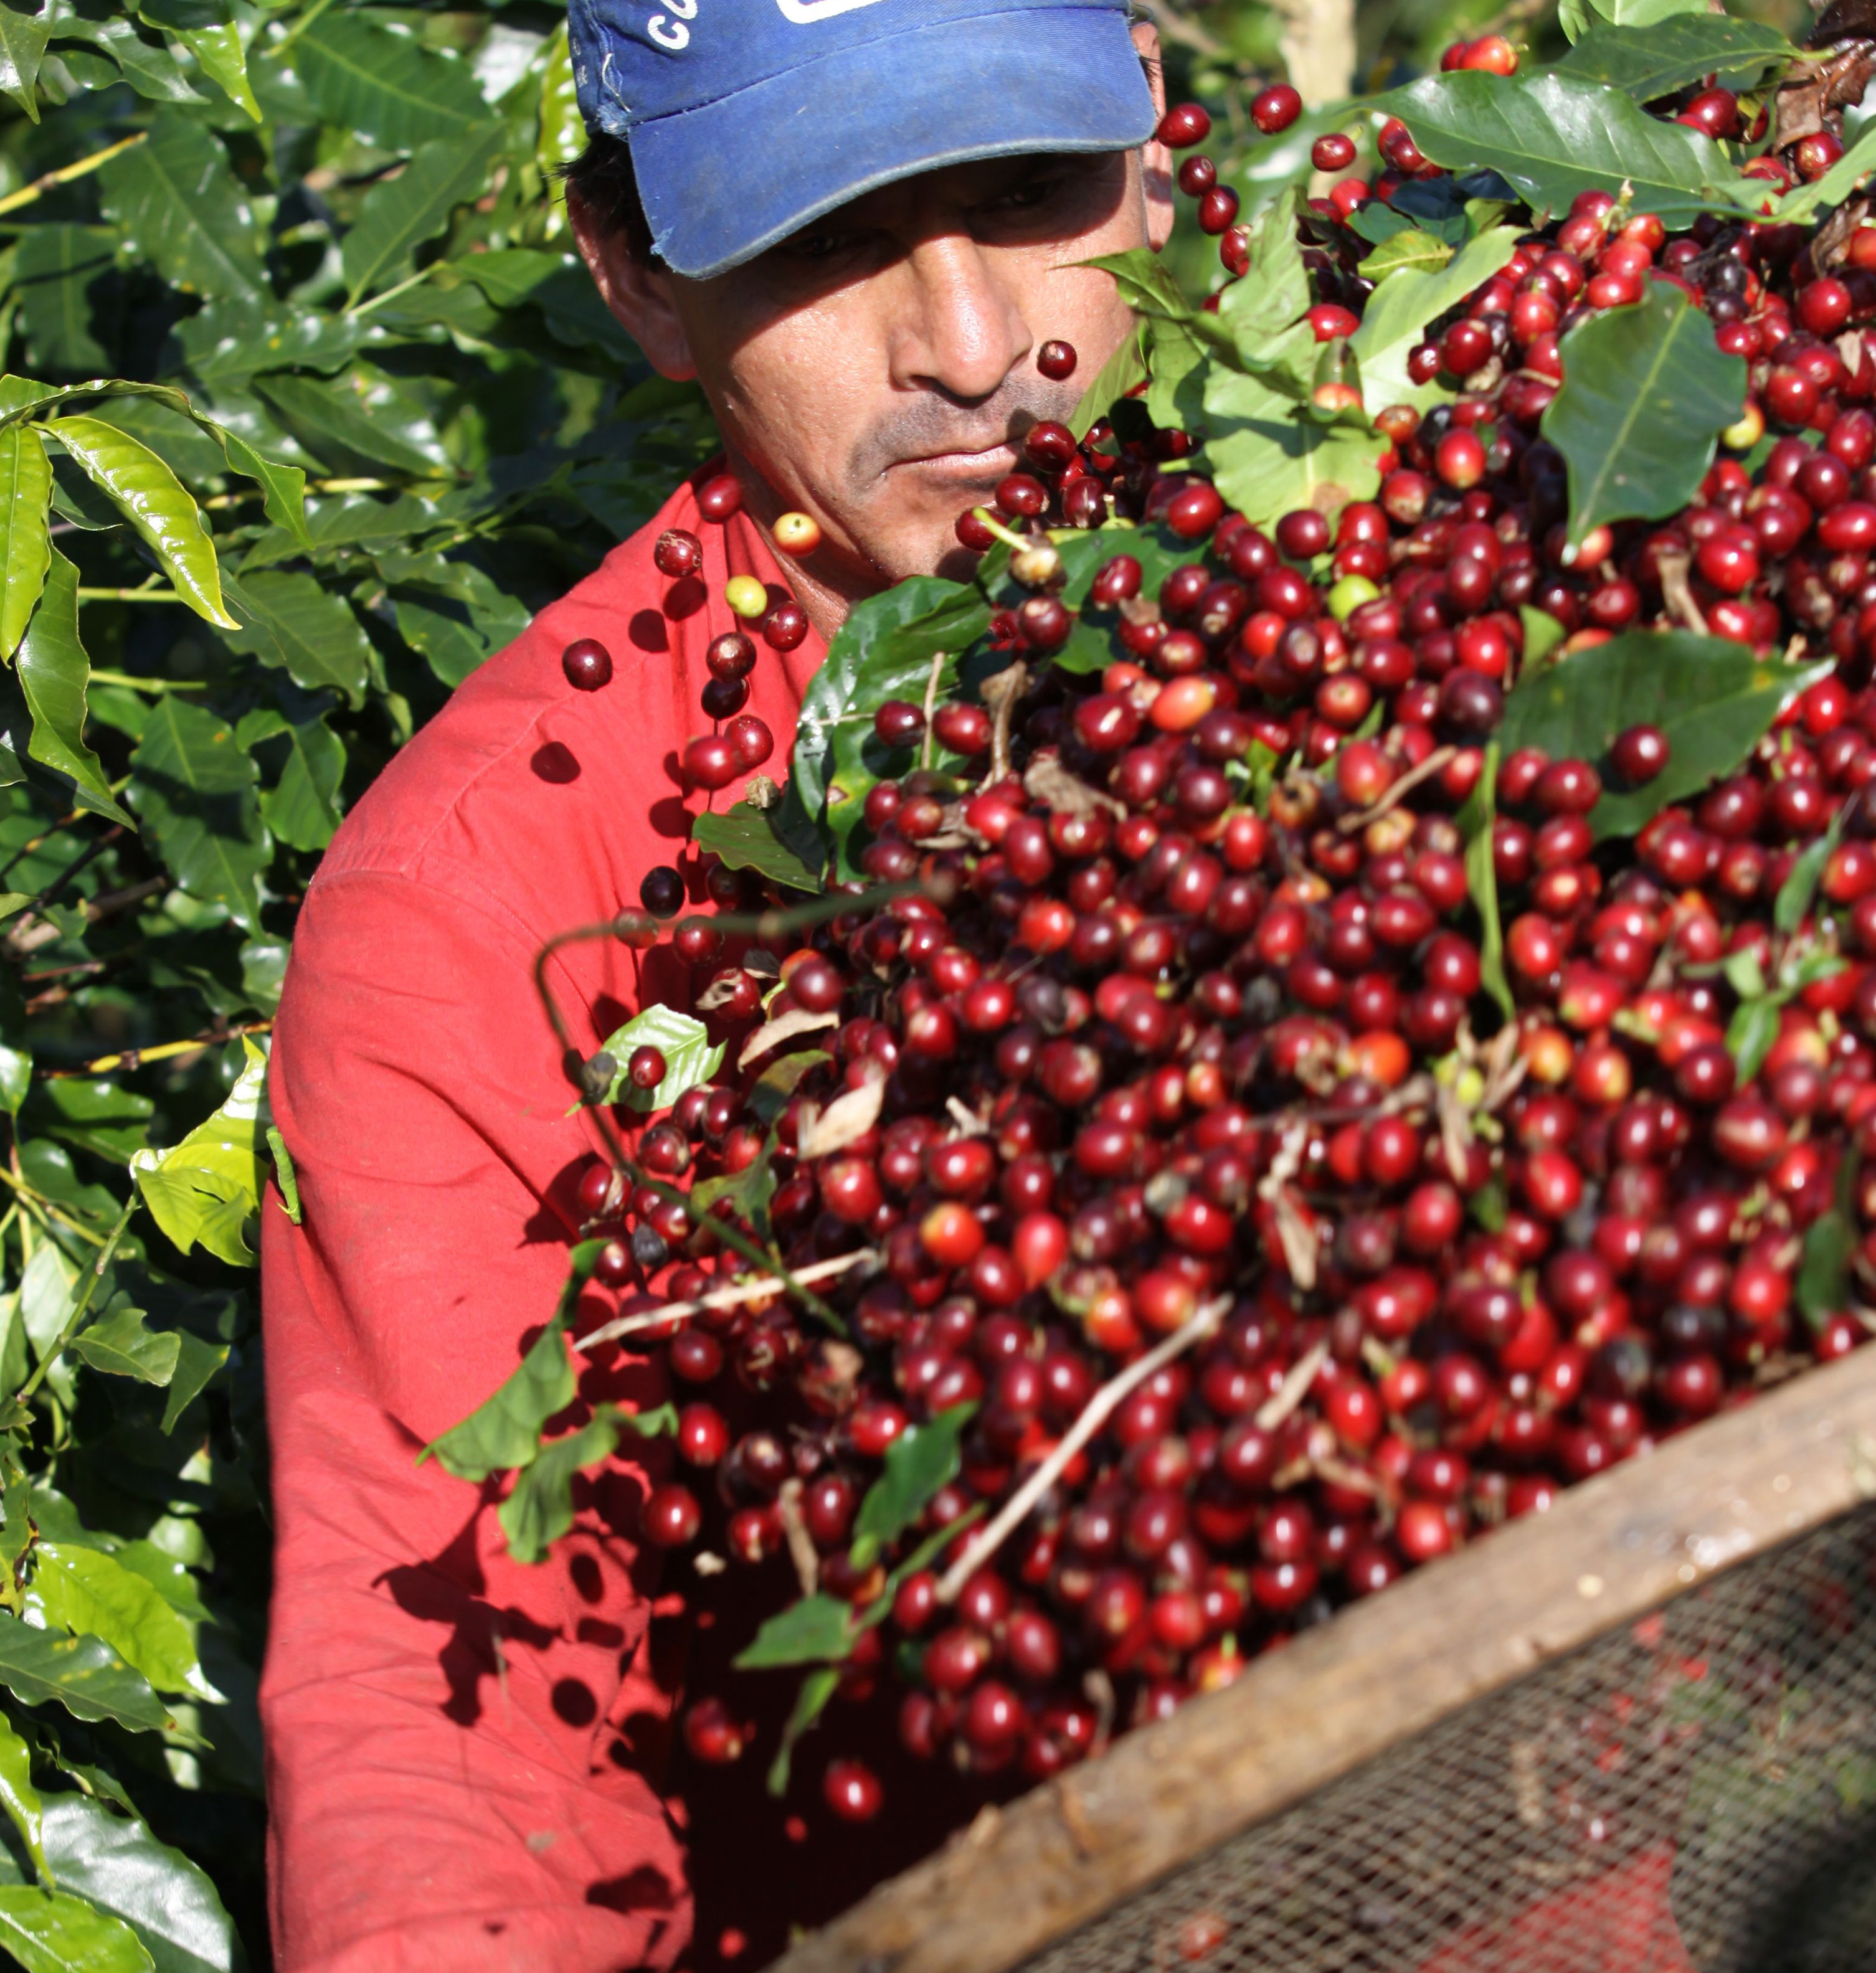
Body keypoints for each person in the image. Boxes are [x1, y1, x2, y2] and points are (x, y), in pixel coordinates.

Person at [258, 0, 1173, 1964]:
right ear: (641, 284)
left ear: (1157, 127)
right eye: (830, 241)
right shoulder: (498, 889)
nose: (970, 340)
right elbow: (447, 1669)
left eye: (1029, 195)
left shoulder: (1454, 548)